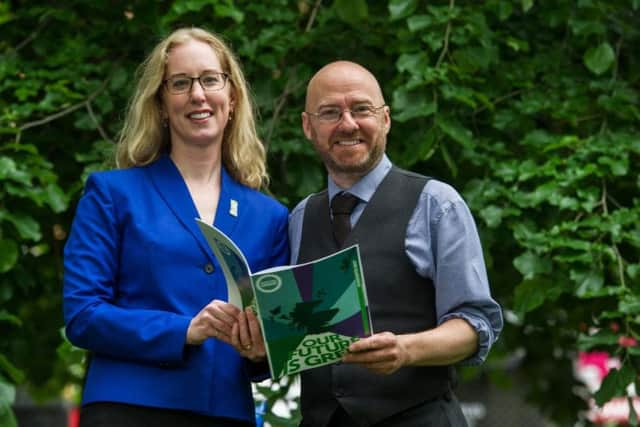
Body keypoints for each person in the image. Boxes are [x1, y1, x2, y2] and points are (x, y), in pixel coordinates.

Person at [63, 27, 289, 427]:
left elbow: (270, 351)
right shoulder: (112, 193)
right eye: (180, 84)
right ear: (162, 104)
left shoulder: (270, 217)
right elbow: (83, 315)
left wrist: (261, 349)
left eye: (209, 80)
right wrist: (185, 329)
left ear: (232, 98)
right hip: (128, 409)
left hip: (225, 412)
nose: (197, 95)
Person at [288, 60, 504, 427]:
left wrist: (406, 350)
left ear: (386, 119)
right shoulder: (300, 217)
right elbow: (298, 331)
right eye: (330, 113)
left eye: (361, 109)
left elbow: (475, 325)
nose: (348, 124)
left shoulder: (436, 203)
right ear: (308, 126)